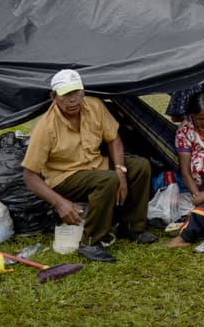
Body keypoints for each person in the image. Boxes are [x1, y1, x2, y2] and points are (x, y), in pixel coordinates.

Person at [22, 69, 157, 263]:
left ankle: (132, 227)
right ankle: (91, 242)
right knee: (107, 180)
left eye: (76, 93)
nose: (73, 100)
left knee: (140, 166)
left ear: (83, 92)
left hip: (96, 166)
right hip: (65, 177)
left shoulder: (94, 106)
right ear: (54, 97)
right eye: (66, 95)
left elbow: (114, 139)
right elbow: (30, 176)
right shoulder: (46, 127)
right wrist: (59, 203)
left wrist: (120, 170)